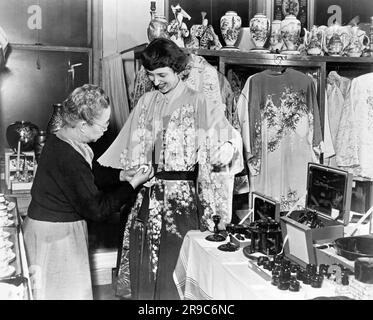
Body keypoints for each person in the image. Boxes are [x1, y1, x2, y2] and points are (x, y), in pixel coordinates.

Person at [98, 38, 243, 300]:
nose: (155, 81)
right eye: (151, 75)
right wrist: (136, 171)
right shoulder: (145, 102)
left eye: (162, 75)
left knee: (173, 268)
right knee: (144, 266)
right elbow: (129, 148)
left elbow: (227, 141)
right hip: (145, 198)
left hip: (181, 202)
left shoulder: (200, 101)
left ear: (179, 70)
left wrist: (227, 147)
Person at [23, 84, 153, 300]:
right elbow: (97, 209)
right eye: (103, 124)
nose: (106, 128)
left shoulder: (63, 138)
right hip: (55, 238)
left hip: (49, 230)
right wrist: (132, 185)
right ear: (83, 125)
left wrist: (122, 175)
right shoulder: (68, 156)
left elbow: (89, 173)